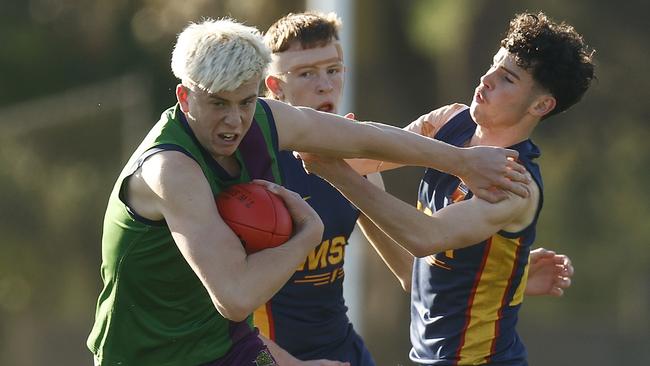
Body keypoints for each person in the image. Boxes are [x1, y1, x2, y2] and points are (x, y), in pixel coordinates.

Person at [86, 17, 531, 366]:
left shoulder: (264, 120)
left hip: (228, 346)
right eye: (218, 104)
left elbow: (362, 138)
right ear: (185, 99)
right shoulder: (172, 170)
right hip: (150, 355)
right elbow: (235, 296)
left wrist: (460, 161)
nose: (235, 120)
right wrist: (306, 234)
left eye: (244, 102)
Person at [257, 11, 575, 366]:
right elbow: (369, 159)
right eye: (492, 65)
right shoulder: (449, 121)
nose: (486, 79)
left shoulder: (515, 184)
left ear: (540, 105)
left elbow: (423, 238)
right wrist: (508, 278)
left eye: (507, 79)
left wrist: (336, 167)